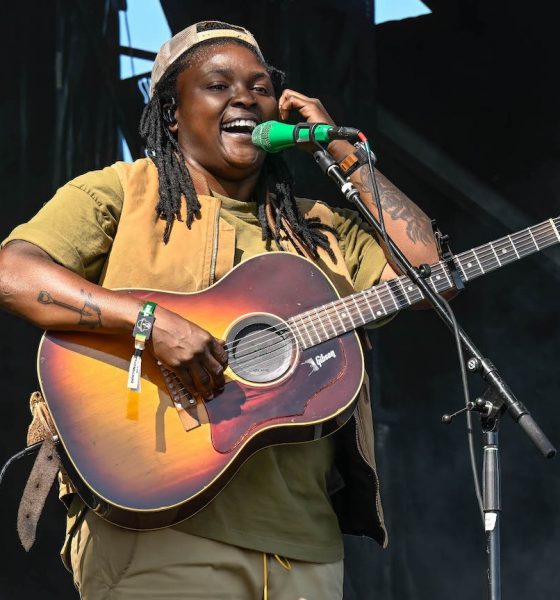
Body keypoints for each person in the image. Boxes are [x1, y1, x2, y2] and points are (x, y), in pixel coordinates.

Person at [0, 20, 440, 600]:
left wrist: (343, 150)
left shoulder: (320, 227)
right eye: (218, 84)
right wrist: (149, 323)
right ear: (173, 112)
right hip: (158, 526)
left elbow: (431, 273)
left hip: (304, 544)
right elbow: (13, 272)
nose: (244, 97)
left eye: (260, 87)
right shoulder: (123, 192)